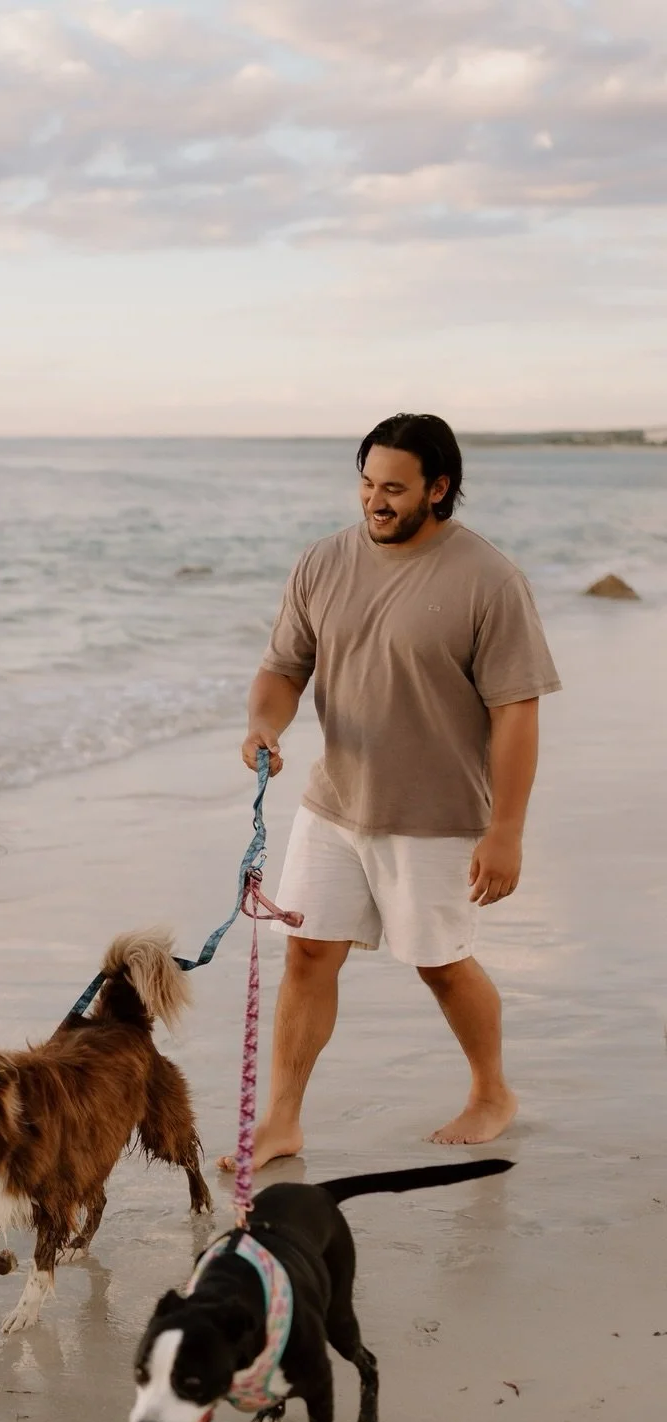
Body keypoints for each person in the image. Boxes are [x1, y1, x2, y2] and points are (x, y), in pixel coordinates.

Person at [230, 412, 560, 1168]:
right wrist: (263, 727)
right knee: (307, 957)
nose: (375, 502)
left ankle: (491, 1093)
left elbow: (516, 714)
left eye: (394, 490)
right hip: (334, 805)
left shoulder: (490, 580)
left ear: (439, 489)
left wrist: (505, 831)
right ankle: (281, 1119)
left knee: (441, 963)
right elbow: (285, 668)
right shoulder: (322, 563)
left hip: (437, 817)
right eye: (367, 484)